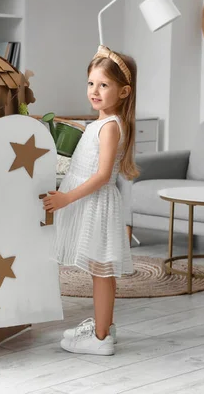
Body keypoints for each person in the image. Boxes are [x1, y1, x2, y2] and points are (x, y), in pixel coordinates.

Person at [43, 45, 139, 356]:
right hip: (92, 203)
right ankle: (104, 327)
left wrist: (66, 198)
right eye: (91, 83)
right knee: (101, 271)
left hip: (97, 204)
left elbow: (101, 176)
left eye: (104, 85)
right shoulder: (99, 123)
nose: (94, 91)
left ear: (124, 92)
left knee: (102, 272)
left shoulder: (110, 127)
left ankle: (100, 339)